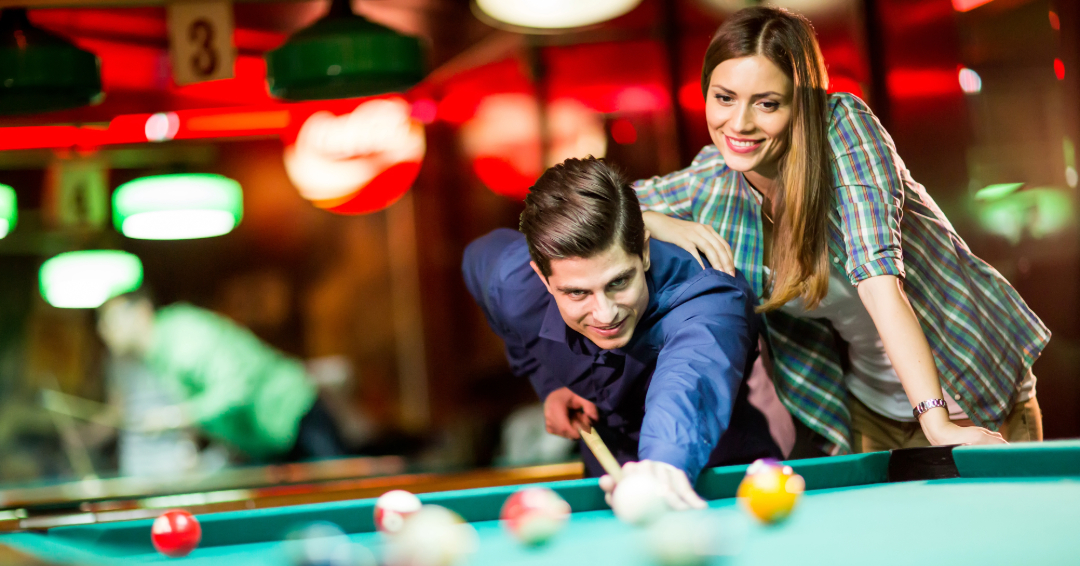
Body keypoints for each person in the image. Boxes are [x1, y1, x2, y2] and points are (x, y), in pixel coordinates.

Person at [634, 6, 1049, 456]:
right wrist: (652, 219)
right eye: (724, 97)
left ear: (802, 101)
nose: (739, 124)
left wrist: (937, 421)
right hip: (868, 411)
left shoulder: (842, 130)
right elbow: (582, 203)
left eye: (767, 103)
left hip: (971, 390)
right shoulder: (711, 179)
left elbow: (879, 284)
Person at [463, 157, 781, 510]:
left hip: (720, 486)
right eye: (577, 293)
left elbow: (690, 380)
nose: (605, 313)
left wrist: (662, 463)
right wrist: (549, 384)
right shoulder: (514, 284)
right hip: (607, 487)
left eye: (619, 282)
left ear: (643, 251)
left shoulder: (709, 296)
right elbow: (477, 258)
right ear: (542, 277)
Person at [96, 289, 348, 462]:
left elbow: (235, 390)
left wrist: (172, 418)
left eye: (110, 320)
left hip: (293, 414)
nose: (103, 330)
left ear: (141, 312)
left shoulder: (183, 338)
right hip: (268, 438)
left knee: (343, 499)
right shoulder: (160, 352)